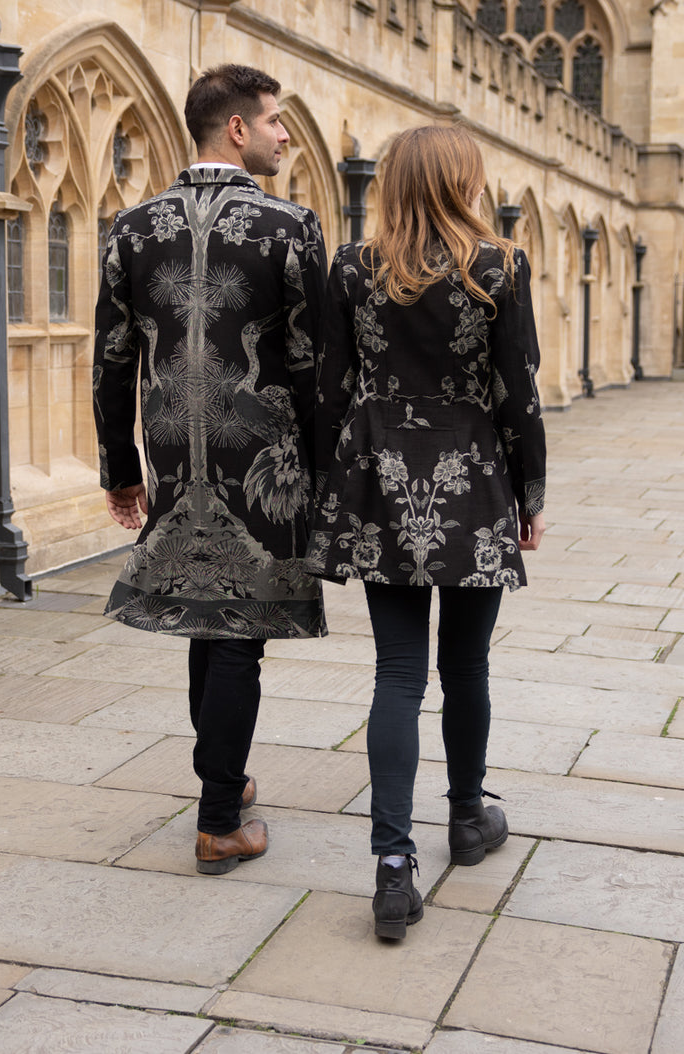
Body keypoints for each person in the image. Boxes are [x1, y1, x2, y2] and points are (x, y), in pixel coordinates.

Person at [306, 124, 546, 939]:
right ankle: (469, 818)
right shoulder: (500, 265)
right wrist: (532, 492)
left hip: (379, 479)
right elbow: (521, 394)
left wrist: (326, 487)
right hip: (472, 479)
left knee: (397, 674)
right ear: (462, 181)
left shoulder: (351, 267)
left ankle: (392, 863)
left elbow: (330, 390)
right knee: (466, 664)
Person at [93, 64, 327, 875]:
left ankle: (222, 778)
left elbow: (112, 358)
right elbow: (309, 363)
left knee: (207, 617)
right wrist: (327, 470)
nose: (284, 134)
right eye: (274, 121)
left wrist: (119, 466)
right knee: (240, 635)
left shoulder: (129, 226)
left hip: (170, 448)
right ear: (236, 129)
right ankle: (220, 818)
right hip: (259, 456)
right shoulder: (290, 226)